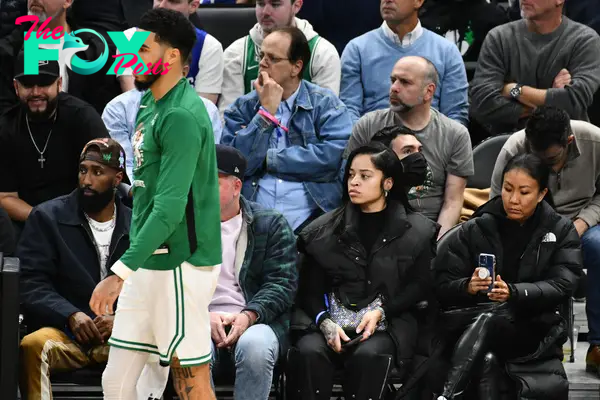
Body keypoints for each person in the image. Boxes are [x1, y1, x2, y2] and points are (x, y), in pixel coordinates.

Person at [89, 9, 222, 400]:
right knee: (116, 383)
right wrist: (123, 188)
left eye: (143, 49)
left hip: (180, 262)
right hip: (149, 258)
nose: (133, 58)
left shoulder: (181, 113)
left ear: (173, 56)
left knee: (189, 381)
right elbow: (150, 189)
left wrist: (118, 274)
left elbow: (170, 206)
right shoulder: (148, 104)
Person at [286, 142, 438, 400]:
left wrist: (382, 311)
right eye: (351, 175)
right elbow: (309, 290)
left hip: (386, 323)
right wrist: (324, 322)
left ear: (388, 183)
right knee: (309, 352)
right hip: (329, 320)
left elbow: (419, 285)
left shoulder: (418, 231)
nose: (354, 182)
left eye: (365, 176)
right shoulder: (321, 231)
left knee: (371, 356)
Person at [434, 153, 582, 400]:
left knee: (492, 317)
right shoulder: (477, 227)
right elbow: (442, 284)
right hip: (474, 323)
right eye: (507, 189)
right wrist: (468, 287)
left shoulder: (560, 229)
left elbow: (564, 283)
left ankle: (447, 395)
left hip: (533, 327)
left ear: (542, 194)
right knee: (488, 356)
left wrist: (514, 292)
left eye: (524, 192)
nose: (513, 199)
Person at [489, 106, 600, 374]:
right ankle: (518, 338)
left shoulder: (595, 141)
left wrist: (582, 222)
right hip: (529, 225)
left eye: (551, 160)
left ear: (569, 141)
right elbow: (496, 201)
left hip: (582, 222)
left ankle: (597, 346)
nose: (546, 167)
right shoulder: (514, 146)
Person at [17, 139, 131, 400]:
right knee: (32, 346)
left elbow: (152, 287)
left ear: (118, 178)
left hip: (121, 333)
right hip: (65, 332)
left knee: (156, 347)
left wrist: (121, 320)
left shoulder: (138, 226)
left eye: (98, 172)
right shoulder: (48, 217)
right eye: (83, 170)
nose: (87, 180)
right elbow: (31, 283)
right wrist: (71, 314)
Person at [221, 26, 352, 233]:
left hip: (313, 220)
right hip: (252, 219)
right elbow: (234, 165)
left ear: (296, 67)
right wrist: (266, 115)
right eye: (261, 55)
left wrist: (270, 159)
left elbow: (331, 157)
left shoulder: (326, 105)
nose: (262, 63)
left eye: (272, 58)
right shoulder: (243, 107)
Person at [345, 55, 473, 238]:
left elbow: (452, 202)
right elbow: (348, 188)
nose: (394, 88)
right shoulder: (367, 126)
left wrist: (435, 245)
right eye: (393, 80)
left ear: (428, 92)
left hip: (429, 229)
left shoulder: (455, 134)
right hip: (373, 225)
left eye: (405, 82)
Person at [208, 144, 297, 400]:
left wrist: (249, 315)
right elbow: (171, 282)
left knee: (255, 347)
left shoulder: (269, 223)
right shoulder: (181, 223)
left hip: (256, 318)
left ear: (237, 187)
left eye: (212, 181)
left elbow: (282, 284)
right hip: (199, 317)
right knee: (189, 348)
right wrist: (202, 314)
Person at [0, 54, 108, 230]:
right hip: (28, 221)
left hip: (82, 216)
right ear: (16, 87)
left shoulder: (82, 117)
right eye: (27, 84)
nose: (36, 92)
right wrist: (46, 221)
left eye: (44, 83)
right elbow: (5, 197)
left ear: (59, 84)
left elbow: (105, 176)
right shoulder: (6, 127)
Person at [470, 0, 600, 135]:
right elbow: (482, 102)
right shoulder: (499, 37)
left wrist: (514, 90)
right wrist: (552, 103)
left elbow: (574, 101)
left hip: (566, 143)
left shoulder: (584, 40)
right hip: (506, 144)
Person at [340, 0, 469, 125]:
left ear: (418, 1)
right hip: (372, 141)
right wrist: (368, 145)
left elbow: (455, 115)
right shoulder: (357, 49)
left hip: (431, 143)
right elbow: (348, 111)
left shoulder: (447, 52)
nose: (387, 0)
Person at [103, 56, 223, 179]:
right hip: (134, 193)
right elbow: (122, 164)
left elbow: (206, 165)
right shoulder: (118, 108)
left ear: (183, 72)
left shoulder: (207, 110)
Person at [218, 0, 340, 115]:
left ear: (296, 5)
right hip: (254, 134)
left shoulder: (322, 52)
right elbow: (229, 118)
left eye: (275, 4)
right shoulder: (236, 52)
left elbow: (327, 116)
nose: (265, 11)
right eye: (260, 3)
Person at [117, 0, 224, 103]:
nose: (162, 5)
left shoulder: (210, 46)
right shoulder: (127, 39)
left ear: (193, 6)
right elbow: (133, 103)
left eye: (173, 1)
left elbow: (203, 111)